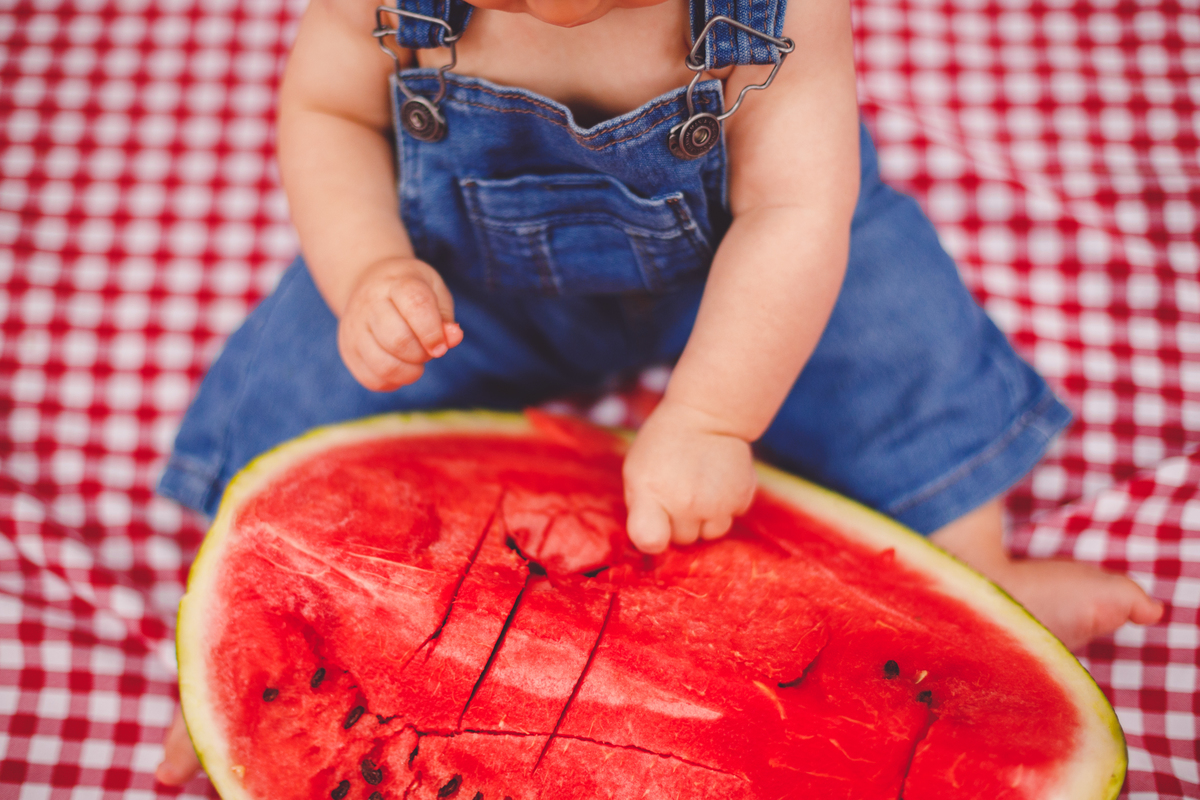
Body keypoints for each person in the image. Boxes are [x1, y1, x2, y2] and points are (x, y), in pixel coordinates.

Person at [155, 0, 1163, 784]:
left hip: (741, 279)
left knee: (898, 334)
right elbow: (327, 113)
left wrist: (714, 413)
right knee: (305, 380)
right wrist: (371, 270)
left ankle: (976, 586)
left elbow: (794, 210)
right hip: (467, 286)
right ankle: (257, 666)